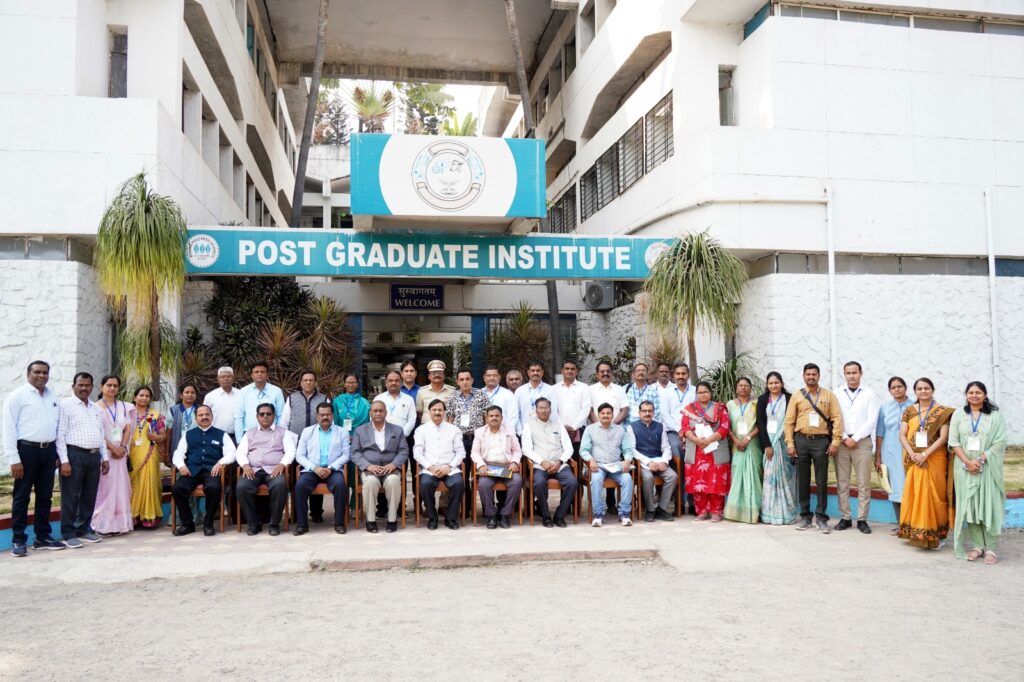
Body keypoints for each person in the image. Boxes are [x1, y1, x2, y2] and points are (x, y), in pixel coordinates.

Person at [3, 360, 64, 556]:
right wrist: (14, 459)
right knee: (21, 497)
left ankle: (42, 537)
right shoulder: (17, 396)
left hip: (48, 452)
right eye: (37, 372)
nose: (41, 376)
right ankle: (18, 540)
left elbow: (54, 425)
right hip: (26, 451)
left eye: (45, 373)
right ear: (28, 373)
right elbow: (9, 429)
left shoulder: (51, 395)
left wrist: (55, 453)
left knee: (45, 496)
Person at [948, 381, 1007, 564]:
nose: (974, 395)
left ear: (985, 395)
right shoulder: (959, 414)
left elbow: (1000, 441)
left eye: (978, 392)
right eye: (971, 392)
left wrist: (980, 460)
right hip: (964, 468)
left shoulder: (995, 416)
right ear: (966, 395)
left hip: (987, 468)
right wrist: (967, 462)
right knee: (971, 508)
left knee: (987, 506)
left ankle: (990, 549)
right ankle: (977, 546)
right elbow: (953, 442)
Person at [783, 363, 843, 533]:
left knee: (821, 480)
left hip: (821, 441)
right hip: (801, 440)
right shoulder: (797, 396)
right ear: (803, 376)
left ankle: (822, 518)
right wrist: (790, 443)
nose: (811, 377)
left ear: (819, 376)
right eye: (808, 374)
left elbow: (837, 419)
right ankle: (805, 516)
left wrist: (835, 442)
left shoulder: (828, 396)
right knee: (802, 480)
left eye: (814, 374)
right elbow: (789, 422)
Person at [897, 377, 954, 550]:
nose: (923, 391)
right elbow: (902, 435)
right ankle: (915, 531)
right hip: (914, 458)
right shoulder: (909, 411)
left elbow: (944, 438)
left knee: (935, 495)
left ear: (932, 390)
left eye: (926, 388)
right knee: (914, 494)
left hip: (934, 458)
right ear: (915, 392)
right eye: (920, 389)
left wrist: (925, 454)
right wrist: (914, 454)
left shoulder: (942, 412)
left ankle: (938, 533)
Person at [55, 372, 110, 548]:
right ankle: (68, 533)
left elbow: (101, 435)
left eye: (87, 385)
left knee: (89, 495)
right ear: (73, 386)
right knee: (71, 496)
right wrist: (64, 461)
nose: (84, 388)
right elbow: (60, 436)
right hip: (74, 455)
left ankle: (84, 528)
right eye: (81, 385)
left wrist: (105, 457)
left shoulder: (95, 408)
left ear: (92, 387)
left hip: (94, 457)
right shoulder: (65, 406)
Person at [171, 405, 236, 536]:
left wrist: (220, 463)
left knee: (214, 488)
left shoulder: (221, 434)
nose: (204, 417)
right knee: (177, 488)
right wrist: (181, 466)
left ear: (212, 417)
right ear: (196, 418)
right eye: (201, 415)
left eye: (207, 414)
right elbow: (178, 453)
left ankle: (208, 522)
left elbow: (232, 453)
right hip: (191, 471)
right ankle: (188, 524)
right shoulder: (188, 434)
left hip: (212, 471)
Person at [834, 361, 881, 534]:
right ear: (844, 374)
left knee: (863, 482)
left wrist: (856, 437)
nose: (852, 376)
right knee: (842, 482)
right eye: (848, 373)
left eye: (855, 372)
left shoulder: (870, 394)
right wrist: (845, 437)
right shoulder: (837, 393)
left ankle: (862, 519)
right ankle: (845, 517)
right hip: (842, 441)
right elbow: (834, 417)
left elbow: (872, 419)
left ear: (861, 373)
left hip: (862, 442)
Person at [235, 403, 296, 536]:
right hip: (253, 470)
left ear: (274, 415)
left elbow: (290, 451)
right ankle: (253, 523)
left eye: (268, 414)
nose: (265, 416)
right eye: (262, 414)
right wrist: (245, 465)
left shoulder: (283, 432)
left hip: (274, 469)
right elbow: (240, 452)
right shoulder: (249, 433)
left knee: (280, 485)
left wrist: (282, 464)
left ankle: (274, 524)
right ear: (257, 417)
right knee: (242, 487)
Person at [351, 400, 409, 533]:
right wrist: (367, 465)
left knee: (394, 481)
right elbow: (355, 452)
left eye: (381, 411)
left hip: (391, 469)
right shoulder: (360, 430)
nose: (378, 413)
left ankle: (392, 519)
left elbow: (404, 451)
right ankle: (370, 520)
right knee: (371, 482)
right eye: (375, 411)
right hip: (370, 470)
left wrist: (394, 464)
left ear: (386, 413)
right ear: (370, 413)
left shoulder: (397, 430)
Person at [293, 402, 350, 535]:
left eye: (328, 414)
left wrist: (330, 468)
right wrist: (314, 468)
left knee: (341, 486)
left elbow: (346, 454)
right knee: (300, 486)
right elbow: (299, 455)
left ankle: (339, 523)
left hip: (333, 470)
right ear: (317, 416)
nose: (325, 417)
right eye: (322, 414)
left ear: (332, 416)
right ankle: (302, 525)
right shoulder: (307, 431)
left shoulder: (342, 432)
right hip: (312, 470)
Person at [521, 397, 576, 528]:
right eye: (541, 408)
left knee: (572, 483)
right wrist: (542, 461)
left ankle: (559, 515)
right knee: (539, 483)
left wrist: (559, 461)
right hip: (540, 465)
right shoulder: (528, 426)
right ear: (536, 410)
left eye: (546, 408)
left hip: (559, 464)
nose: (544, 410)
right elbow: (526, 449)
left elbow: (569, 448)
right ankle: (545, 515)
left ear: (551, 410)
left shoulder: (559, 425)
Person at [580, 403, 636, 527]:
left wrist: (627, 460)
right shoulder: (590, 429)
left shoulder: (620, 429)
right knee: (596, 480)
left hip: (616, 465)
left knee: (627, 479)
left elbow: (627, 450)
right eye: (603, 413)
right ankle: (598, 514)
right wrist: (590, 460)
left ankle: (624, 514)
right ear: (598, 415)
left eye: (608, 413)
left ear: (612, 415)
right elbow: (583, 450)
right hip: (598, 466)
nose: (605, 415)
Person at [413, 399, 466, 530]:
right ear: (429, 412)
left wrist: (449, 467)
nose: (437, 412)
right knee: (425, 484)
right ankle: (432, 517)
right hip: (430, 468)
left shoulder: (454, 429)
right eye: (434, 410)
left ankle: (451, 518)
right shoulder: (421, 430)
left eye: (440, 410)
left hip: (449, 468)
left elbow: (461, 452)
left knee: (459, 484)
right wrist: (430, 467)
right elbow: (417, 453)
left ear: (444, 412)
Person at [283, 371, 328, 522]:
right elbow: (284, 422)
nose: (308, 382)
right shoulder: (291, 398)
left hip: (318, 443)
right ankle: (296, 513)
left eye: (311, 380)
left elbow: (329, 420)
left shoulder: (324, 398)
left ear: (315, 382)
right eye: (305, 380)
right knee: (297, 481)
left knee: (317, 473)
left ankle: (316, 513)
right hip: (296, 444)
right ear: (301, 382)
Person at [682, 382, 731, 522]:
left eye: (705, 392)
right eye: (700, 392)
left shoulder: (720, 408)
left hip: (715, 448)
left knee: (716, 481)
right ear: (696, 394)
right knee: (698, 480)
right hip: (697, 450)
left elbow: (724, 427)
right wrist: (697, 440)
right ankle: (702, 511)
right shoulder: (689, 409)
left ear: (711, 393)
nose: (702, 395)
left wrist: (708, 440)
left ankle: (716, 511)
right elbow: (685, 428)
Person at [91, 374, 133, 535]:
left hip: (120, 454)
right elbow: (97, 431)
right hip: (104, 454)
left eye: (115, 385)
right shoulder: (94, 407)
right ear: (101, 387)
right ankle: (102, 526)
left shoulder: (124, 406)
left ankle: (120, 525)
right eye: (109, 385)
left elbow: (128, 427)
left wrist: (122, 447)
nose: (112, 388)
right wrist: (112, 448)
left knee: (121, 488)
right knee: (105, 489)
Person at [470, 406, 524, 529]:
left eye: (497, 416)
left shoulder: (509, 430)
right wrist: (481, 464)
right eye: (491, 416)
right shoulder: (480, 432)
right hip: (488, 466)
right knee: (484, 484)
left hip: (507, 466)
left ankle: (505, 514)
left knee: (517, 481)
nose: (494, 418)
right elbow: (474, 452)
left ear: (501, 417)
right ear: (486, 418)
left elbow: (517, 450)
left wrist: (515, 462)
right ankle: (491, 515)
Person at [446, 368, 489, 517]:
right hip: (460, 441)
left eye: (467, 379)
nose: (465, 382)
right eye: (461, 379)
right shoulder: (453, 397)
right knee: (462, 476)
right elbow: (450, 419)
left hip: (477, 440)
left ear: (472, 380)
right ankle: (465, 509)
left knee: (480, 475)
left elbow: (486, 418)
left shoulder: (481, 395)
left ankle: (485, 508)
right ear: (457, 381)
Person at [756, 372, 797, 525]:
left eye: (776, 382)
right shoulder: (762, 400)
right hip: (770, 445)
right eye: (771, 383)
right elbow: (760, 423)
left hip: (785, 444)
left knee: (787, 477)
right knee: (770, 479)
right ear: (767, 385)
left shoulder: (789, 398)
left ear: (782, 383)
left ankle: (787, 513)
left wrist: (790, 443)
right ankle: (770, 514)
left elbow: (793, 421)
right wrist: (767, 445)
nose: (774, 385)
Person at [875, 376, 913, 535]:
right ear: (889, 390)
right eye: (893, 387)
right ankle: (901, 525)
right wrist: (878, 456)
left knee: (908, 486)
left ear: (906, 388)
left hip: (908, 451)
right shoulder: (885, 407)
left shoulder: (914, 406)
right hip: (889, 450)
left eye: (900, 386)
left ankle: (912, 524)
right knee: (893, 487)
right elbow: (880, 432)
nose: (897, 389)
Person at [724, 377, 763, 524]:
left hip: (753, 444)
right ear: (736, 388)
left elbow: (761, 425)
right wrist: (735, 439)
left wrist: (747, 438)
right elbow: (725, 425)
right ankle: (736, 512)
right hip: (736, 445)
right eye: (740, 385)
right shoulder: (729, 405)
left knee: (754, 477)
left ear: (751, 388)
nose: (743, 388)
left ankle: (754, 511)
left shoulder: (756, 404)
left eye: (746, 385)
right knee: (737, 475)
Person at [631, 400, 677, 523]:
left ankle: (661, 509)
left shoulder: (660, 426)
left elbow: (666, 447)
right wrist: (648, 462)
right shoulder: (632, 427)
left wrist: (664, 462)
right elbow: (632, 450)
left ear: (653, 412)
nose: (647, 413)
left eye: (650, 411)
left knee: (672, 476)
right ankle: (650, 510)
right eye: (644, 411)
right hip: (643, 464)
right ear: (639, 412)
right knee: (648, 478)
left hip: (659, 460)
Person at [127, 386, 166, 529]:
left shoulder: (153, 415)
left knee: (150, 482)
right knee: (133, 485)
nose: (144, 398)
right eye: (141, 395)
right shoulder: (128, 413)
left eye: (147, 396)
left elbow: (163, 435)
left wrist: (156, 437)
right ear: (134, 397)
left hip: (150, 452)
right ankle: (132, 516)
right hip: (132, 453)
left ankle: (149, 517)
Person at [233, 360, 285, 437]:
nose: (259, 374)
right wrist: (239, 440)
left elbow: (281, 415)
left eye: (262, 372)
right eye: (256, 372)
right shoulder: (243, 392)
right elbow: (239, 417)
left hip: (272, 434)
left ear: (267, 374)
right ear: (252, 375)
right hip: (249, 434)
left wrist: (281, 436)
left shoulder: (276, 391)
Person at [553, 359, 590, 457]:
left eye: (572, 369)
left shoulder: (584, 387)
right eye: (567, 369)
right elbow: (553, 411)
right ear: (562, 371)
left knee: (578, 459)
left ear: (577, 371)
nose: (569, 371)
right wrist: (563, 427)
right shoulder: (554, 389)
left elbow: (585, 409)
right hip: (559, 430)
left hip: (579, 431)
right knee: (560, 458)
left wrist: (573, 427)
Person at [514, 360, 558, 435]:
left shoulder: (550, 390)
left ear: (542, 372)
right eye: (532, 370)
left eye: (538, 370)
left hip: (546, 432)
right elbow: (516, 413)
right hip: (526, 433)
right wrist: (520, 432)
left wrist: (553, 431)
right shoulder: (520, 391)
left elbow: (553, 412)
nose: (535, 373)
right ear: (528, 373)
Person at [374, 369, 418, 438]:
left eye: (396, 380)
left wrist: (402, 434)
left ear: (401, 382)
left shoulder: (409, 399)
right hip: (381, 437)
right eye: (390, 381)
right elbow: (373, 418)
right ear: (386, 383)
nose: (393, 383)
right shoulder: (378, 399)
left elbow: (412, 419)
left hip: (402, 438)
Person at [203, 366, 240, 442]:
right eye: (222, 377)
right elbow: (205, 416)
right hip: (215, 436)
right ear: (218, 379)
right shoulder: (210, 396)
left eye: (228, 376)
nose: (225, 379)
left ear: (233, 378)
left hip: (236, 437)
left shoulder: (241, 394)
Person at [482, 365, 519, 437]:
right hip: (484, 435)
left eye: (494, 375)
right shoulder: (479, 394)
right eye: (488, 375)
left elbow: (513, 416)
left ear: (499, 377)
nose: (491, 378)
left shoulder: (507, 394)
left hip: (503, 434)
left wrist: (506, 432)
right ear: (484, 378)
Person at [167, 383, 200, 464]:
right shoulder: (174, 410)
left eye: (193, 392)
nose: (190, 395)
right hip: (177, 447)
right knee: (177, 472)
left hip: (196, 448)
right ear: (181, 395)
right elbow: (168, 433)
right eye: (187, 392)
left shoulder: (200, 410)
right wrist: (166, 453)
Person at [415, 359, 456, 424]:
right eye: (433, 373)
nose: (437, 375)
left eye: (440, 372)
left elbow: (454, 412)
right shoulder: (421, 391)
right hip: (426, 428)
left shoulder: (452, 391)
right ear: (429, 376)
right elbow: (419, 413)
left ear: (444, 376)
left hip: (445, 428)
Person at [589, 360, 628, 425]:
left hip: (615, 429)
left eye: (608, 371)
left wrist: (612, 426)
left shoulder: (620, 389)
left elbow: (624, 410)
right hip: (595, 430)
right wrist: (599, 426)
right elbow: (589, 411)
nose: (605, 373)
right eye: (602, 371)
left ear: (611, 373)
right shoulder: (590, 390)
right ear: (597, 374)